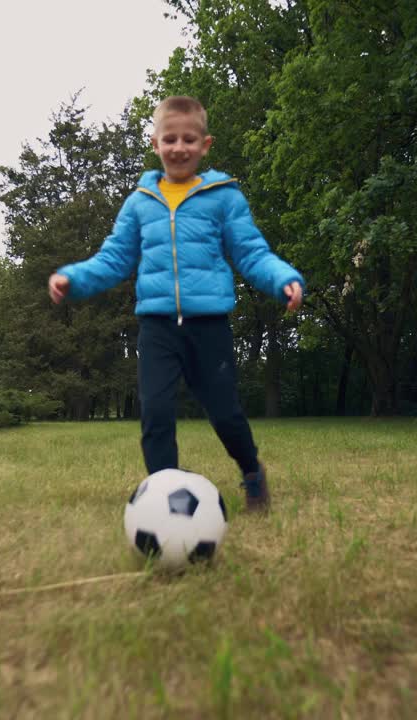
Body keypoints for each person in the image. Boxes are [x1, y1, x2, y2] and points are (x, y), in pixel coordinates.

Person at [48, 95, 304, 513]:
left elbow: (252, 253)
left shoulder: (223, 197)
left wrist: (284, 280)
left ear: (205, 145)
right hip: (157, 326)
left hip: (209, 326)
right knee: (156, 412)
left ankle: (251, 470)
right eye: (170, 139)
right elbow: (114, 258)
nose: (179, 147)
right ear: (155, 144)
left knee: (225, 413)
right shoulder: (139, 203)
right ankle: (163, 498)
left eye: (189, 139)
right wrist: (72, 279)